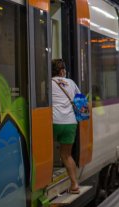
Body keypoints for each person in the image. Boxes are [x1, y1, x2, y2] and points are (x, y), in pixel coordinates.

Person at [51, 59, 81, 194]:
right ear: (64, 71)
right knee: (66, 155)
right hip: (70, 123)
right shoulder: (71, 83)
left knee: (46, 152)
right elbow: (81, 102)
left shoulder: (49, 83)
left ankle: (45, 182)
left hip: (54, 122)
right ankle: (74, 184)